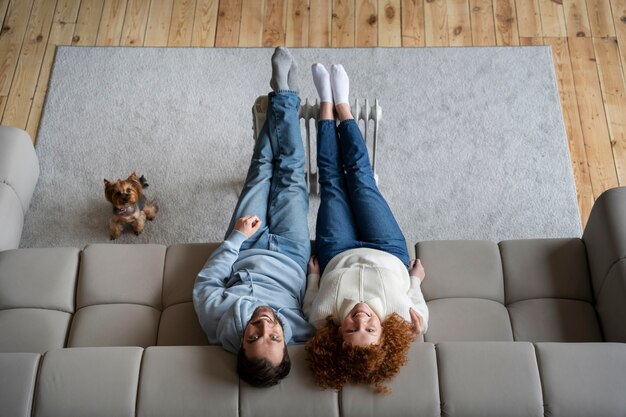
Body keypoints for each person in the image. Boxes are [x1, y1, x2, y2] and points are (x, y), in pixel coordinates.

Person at [303, 63, 430, 394]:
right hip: (387, 249)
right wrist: (415, 280)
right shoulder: (403, 320)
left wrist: (314, 278)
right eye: (370, 329)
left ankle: (326, 106)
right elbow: (418, 305)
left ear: (338, 335)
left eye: (351, 329)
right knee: (361, 180)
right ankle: (344, 106)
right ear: (383, 334)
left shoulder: (322, 319)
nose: (361, 317)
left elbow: (308, 305)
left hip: (336, 251)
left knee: (331, 182)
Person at [193, 47, 314, 387]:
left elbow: (207, 280)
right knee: (291, 174)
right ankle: (284, 96)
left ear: (241, 345)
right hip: (291, 253)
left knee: (261, 171)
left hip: (246, 244)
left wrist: (236, 238)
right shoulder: (304, 332)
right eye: (274, 337)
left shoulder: (218, 321)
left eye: (254, 337)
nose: (265, 325)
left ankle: (284, 95)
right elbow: (332, 318)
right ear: (288, 347)